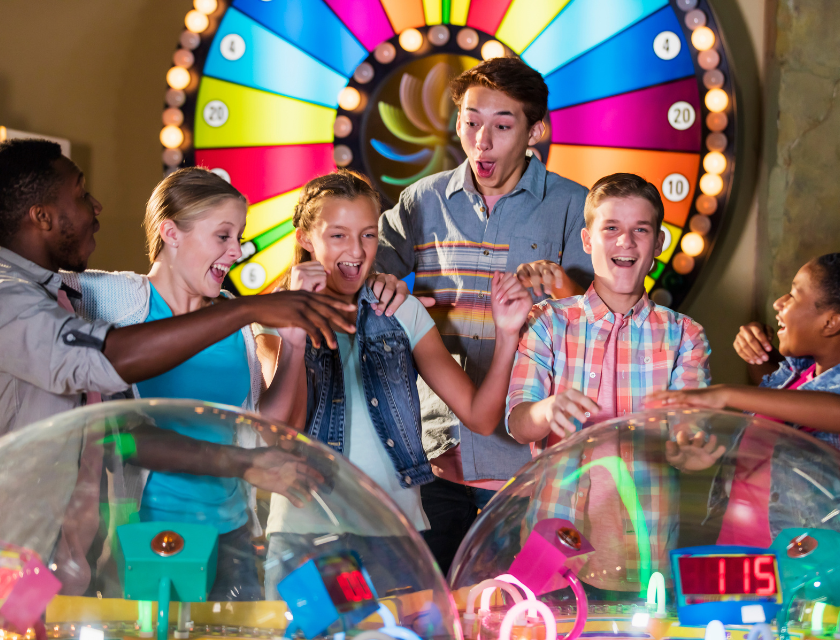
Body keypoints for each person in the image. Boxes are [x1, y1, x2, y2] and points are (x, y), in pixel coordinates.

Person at [0, 140, 355, 598]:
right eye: (82, 192)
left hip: (94, 561)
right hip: (76, 551)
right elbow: (104, 362)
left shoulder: (59, 296)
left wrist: (290, 333)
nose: (97, 206)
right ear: (170, 232)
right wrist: (251, 310)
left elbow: (126, 430)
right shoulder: (68, 296)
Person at [261, 170, 532, 588]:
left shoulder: (401, 311)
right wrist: (296, 333)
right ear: (304, 238)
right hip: (305, 532)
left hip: (395, 532)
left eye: (368, 235)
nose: (356, 251)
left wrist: (508, 334)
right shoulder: (269, 317)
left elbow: (479, 416)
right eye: (338, 236)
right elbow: (281, 432)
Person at [375, 56, 593, 571]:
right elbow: (361, 265)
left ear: (535, 130)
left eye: (502, 124)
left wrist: (562, 289)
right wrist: (373, 277)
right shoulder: (423, 200)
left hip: (525, 465)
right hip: (431, 454)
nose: (482, 140)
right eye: (471, 121)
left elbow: (600, 324)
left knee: (514, 611)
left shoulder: (574, 206)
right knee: (429, 608)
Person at [505, 173, 712, 593]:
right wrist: (547, 409)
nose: (625, 242)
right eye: (611, 228)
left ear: (658, 245)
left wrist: (689, 449)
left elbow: (688, 431)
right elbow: (518, 422)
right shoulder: (548, 322)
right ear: (587, 239)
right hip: (551, 542)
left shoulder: (685, 336)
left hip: (641, 552)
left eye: (641, 230)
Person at [650, 253, 840, 547]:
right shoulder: (796, 375)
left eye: (793, 295)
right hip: (740, 553)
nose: (779, 303)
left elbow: (832, 410)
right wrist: (700, 456)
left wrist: (724, 393)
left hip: (801, 570)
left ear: (831, 322)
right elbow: (772, 418)